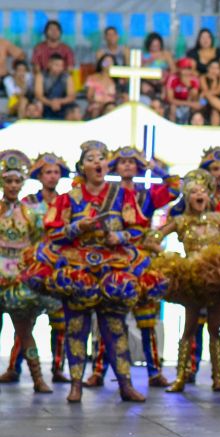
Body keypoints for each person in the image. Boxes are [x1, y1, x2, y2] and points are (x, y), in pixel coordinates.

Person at [24, 141, 166, 403]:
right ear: (82, 168)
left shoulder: (122, 196)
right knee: (76, 327)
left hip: (113, 266)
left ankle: (125, 384)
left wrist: (118, 236)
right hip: (78, 268)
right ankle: (75, 385)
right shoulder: (69, 199)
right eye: (91, 159)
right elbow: (53, 233)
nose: (97, 162)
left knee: (115, 327)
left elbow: (138, 229)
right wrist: (78, 228)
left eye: (101, 158)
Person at [150, 169, 220, 393]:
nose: (199, 195)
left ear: (209, 196)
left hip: (217, 279)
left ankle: (218, 379)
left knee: (216, 329)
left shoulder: (219, 219)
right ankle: (180, 376)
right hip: (192, 278)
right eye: (193, 191)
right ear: (187, 197)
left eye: (203, 191)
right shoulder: (180, 221)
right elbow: (153, 238)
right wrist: (164, 255)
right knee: (189, 329)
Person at [83, 147, 179, 388]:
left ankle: (154, 371)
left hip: (141, 256)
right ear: (115, 166)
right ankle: (98, 370)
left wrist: (153, 166)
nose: (127, 166)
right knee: (109, 316)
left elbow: (175, 189)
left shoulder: (147, 194)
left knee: (147, 317)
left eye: (132, 162)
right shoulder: (107, 193)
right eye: (122, 162)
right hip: (113, 257)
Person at [0, 151, 58, 393]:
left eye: (17, 181)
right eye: (8, 181)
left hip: (18, 280)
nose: (13, 186)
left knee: (25, 332)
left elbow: (38, 244)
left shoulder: (31, 214)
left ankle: (37, 377)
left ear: (23, 183)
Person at [34, 54, 76, 120]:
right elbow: (39, 95)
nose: (60, 68)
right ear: (49, 64)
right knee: (37, 106)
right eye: (57, 65)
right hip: (46, 103)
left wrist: (59, 102)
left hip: (62, 104)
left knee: (75, 110)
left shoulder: (67, 77)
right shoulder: (41, 76)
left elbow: (71, 96)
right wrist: (51, 103)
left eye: (61, 66)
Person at [85, 54, 118, 119]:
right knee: (95, 110)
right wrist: (98, 104)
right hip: (96, 104)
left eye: (110, 61)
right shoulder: (93, 78)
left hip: (111, 105)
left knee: (110, 109)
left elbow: (118, 96)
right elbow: (89, 96)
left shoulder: (117, 80)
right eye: (106, 61)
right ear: (101, 63)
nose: (108, 63)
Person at [200, 59, 220, 125]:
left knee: (215, 111)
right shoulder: (203, 77)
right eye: (212, 67)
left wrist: (215, 80)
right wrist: (204, 94)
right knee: (208, 98)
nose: (214, 70)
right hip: (204, 102)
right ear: (208, 68)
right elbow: (206, 91)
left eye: (217, 68)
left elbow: (218, 91)